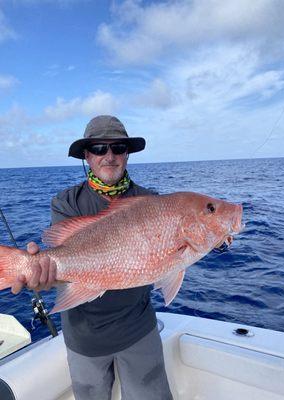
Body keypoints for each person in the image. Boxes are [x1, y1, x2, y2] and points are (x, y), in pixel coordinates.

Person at [12, 115, 173, 400]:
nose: (109, 156)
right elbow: (62, 256)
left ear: (127, 154)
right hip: (83, 338)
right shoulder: (66, 202)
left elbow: (178, 250)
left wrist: (219, 240)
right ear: (87, 155)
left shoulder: (151, 202)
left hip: (139, 331)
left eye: (118, 148)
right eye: (99, 148)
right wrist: (39, 272)